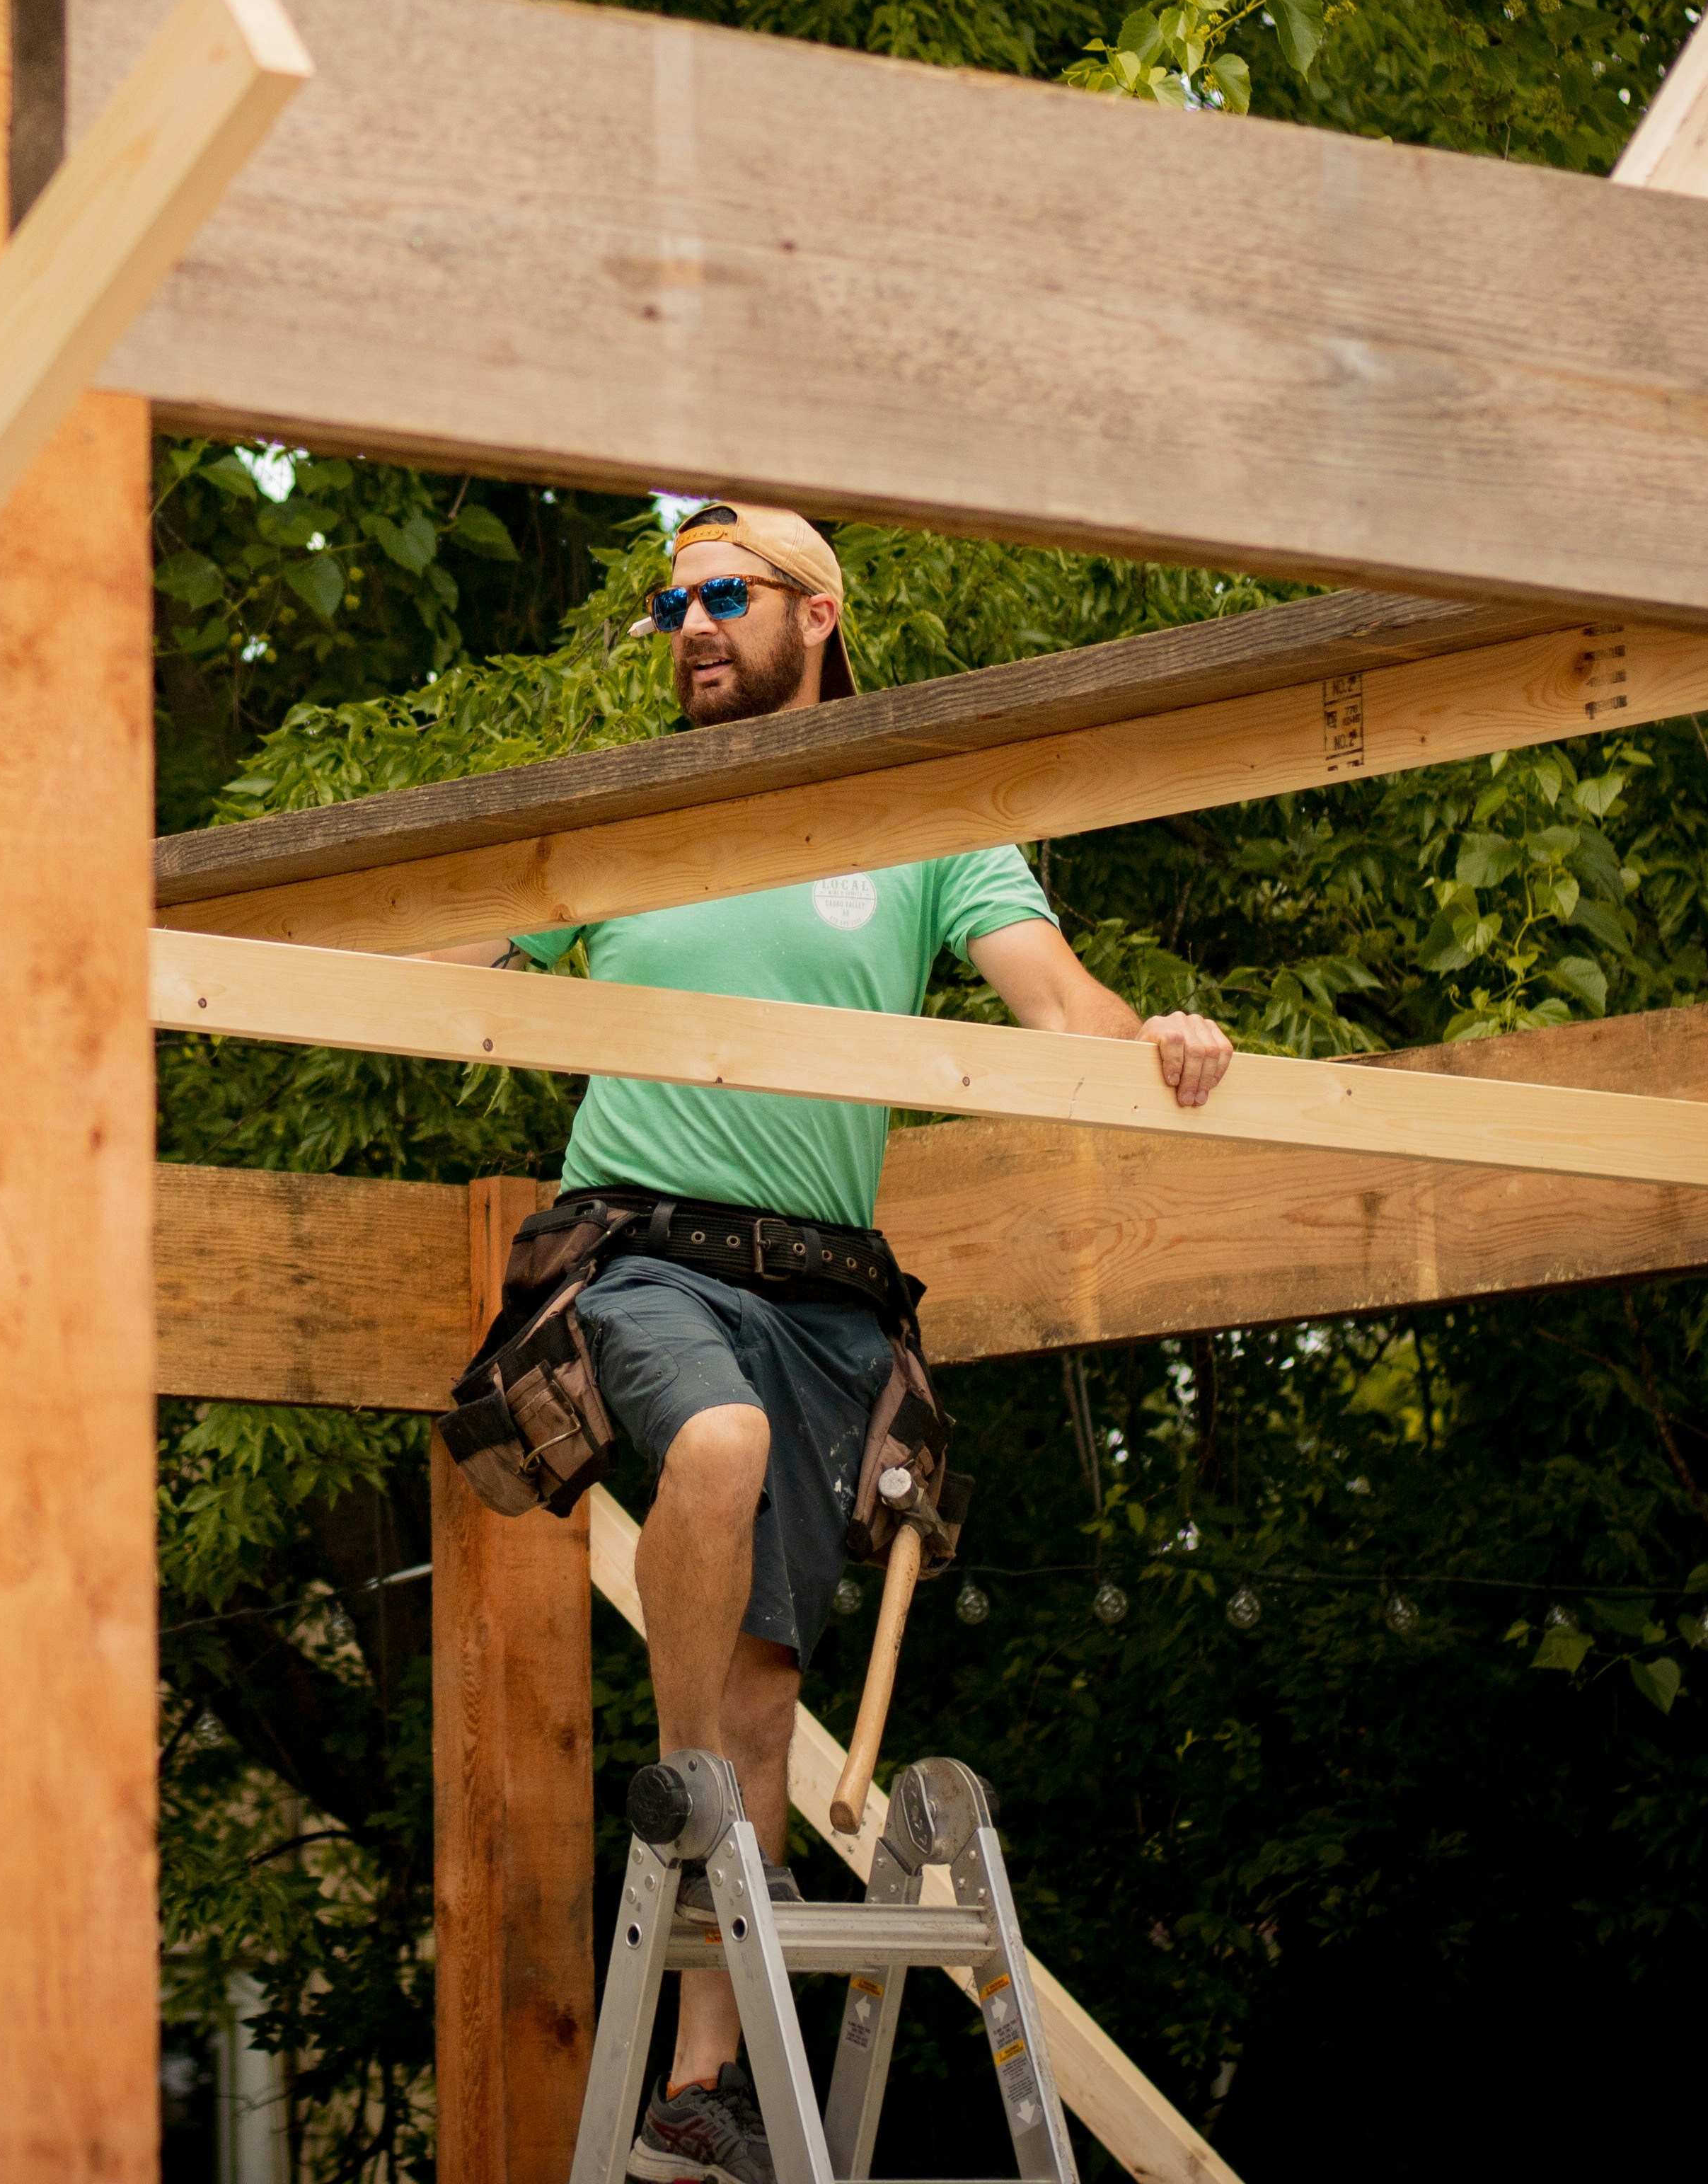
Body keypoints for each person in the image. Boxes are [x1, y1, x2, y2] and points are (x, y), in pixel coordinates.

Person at [434, 505, 1228, 2182]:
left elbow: (1057, 1003)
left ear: (823, 613)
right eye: (675, 602)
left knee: (766, 1674)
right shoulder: (637, 811)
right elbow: (458, 954)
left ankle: (704, 2079)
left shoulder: (929, 814)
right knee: (705, 1457)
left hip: (823, 1293)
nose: (691, 624)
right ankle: (690, 1816)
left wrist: (1156, 1030)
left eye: (725, 596)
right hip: (639, 1241)